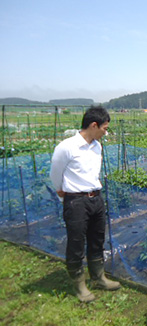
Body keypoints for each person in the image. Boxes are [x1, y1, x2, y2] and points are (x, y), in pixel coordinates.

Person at [50, 105, 120, 303]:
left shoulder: (97, 146)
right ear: (94, 125)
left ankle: (98, 277)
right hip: (76, 200)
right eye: (105, 129)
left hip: (96, 198)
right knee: (76, 242)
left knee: (97, 239)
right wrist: (65, 196)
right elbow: (56, 175)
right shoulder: (67, 147)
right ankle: (80, 284)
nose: (106, 133)